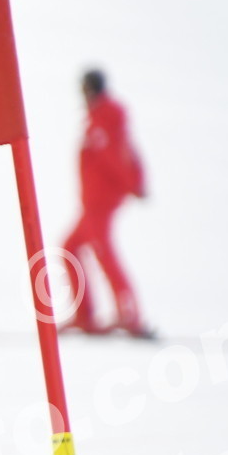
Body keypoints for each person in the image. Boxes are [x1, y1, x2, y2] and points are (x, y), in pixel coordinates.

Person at [60, 68, 147, 335]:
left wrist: (133, 183)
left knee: (103, 252)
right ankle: (84, 316)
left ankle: (130, 315)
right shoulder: (99, 117)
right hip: (93, 202)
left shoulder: (106, 118)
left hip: (101, 201)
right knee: (70, 248)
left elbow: (117, 155)